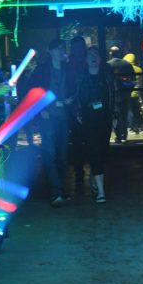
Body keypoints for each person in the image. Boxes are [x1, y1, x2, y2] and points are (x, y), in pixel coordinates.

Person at [30, 37, 73, 207]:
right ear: (51, 51)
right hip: (48, 116)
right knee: (50, 153)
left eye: (62, 48)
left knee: (62, 154)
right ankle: (57, 191)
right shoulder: (42, 70)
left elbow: (73, 88)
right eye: (58, 48)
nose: (61, 51)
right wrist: (41, 110)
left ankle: (60, 190)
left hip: (63, 115)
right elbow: (33, 91)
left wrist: (71, 99)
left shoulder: (67, 69)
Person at [75, 46, 116, 203]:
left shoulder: (107, 77)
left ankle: (94, 176)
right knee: (94, 151)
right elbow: (75, 97)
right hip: (88, 119)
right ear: (86, 59)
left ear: (100, 59)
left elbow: (115, 95)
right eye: (90, 55)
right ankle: (101, 191)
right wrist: (77, 114)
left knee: (103, 150)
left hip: (104, 118)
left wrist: (115, 115)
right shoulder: (80, 78)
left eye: (96, 55)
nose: (93, 57)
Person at [67, 36, 88, 184]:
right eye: (76, 47)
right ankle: (80, 172)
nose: (79, 50)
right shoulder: (69, 65)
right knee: (77, 142)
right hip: (74, 108)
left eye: (80, 47)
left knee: (80, 142)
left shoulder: (72, 64)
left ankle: (82, 173)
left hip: (85, 107)